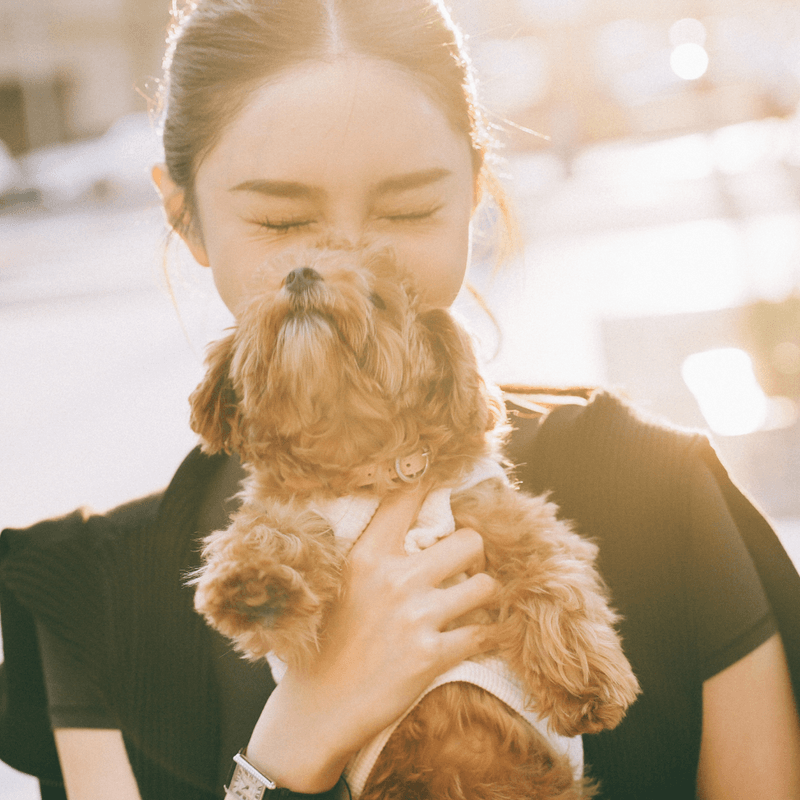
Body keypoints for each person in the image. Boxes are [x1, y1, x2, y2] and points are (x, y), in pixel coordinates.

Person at [1, 1, 800, 798]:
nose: (344, 260)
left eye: (409, 209)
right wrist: (292, 744)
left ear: (477, 188)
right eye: (282, 219)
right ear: (184, 214)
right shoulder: (96, 598)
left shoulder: (655, 489)